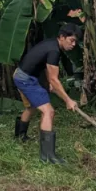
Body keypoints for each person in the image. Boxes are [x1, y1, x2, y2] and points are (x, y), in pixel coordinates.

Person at [12, 23, 82, 164]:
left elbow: (44, 65)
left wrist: (51, 83)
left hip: (20, 74)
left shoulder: (52, 44)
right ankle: (47, 156)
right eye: (71, 40)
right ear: (62, 37)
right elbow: (54, 78)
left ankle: (20, 136)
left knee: (31, 107)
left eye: (76, 41)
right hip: (25, 79)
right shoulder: (54, 51)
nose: (74, 44)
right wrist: (68, 100)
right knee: (48, 111)